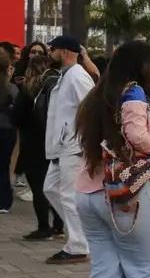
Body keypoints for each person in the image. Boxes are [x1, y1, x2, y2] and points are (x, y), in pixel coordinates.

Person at [74, 40, 150, 276]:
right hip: (124, 194)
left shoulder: (96, 95)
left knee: (105, 270)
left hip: (87, 195)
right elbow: (135, 133)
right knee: (146, 270)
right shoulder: (133, 91)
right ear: (140, 65)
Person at [43, 35, 97, 264]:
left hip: (73, 146)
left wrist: (82, 142)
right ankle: (81, 236)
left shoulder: (77, 76)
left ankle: (77, 246)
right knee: (51, 189)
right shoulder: (66, 77)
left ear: (64, 52)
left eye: (52, 50)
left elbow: (91, 109)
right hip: (62, 146)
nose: (49, 54)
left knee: (67, 195)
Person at [11, 54, 64, 239]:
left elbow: (16, 117)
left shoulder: (29, 89)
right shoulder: (58, 87)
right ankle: (59, 224)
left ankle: (44, 227)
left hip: (33, 145)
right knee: (56, 186)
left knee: (39, 187)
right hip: (56, 143)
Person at [0, 47, 17, 214]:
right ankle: (4, 201)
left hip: (5, 129)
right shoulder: (11, 88)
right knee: (4, 165)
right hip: (8, 130)